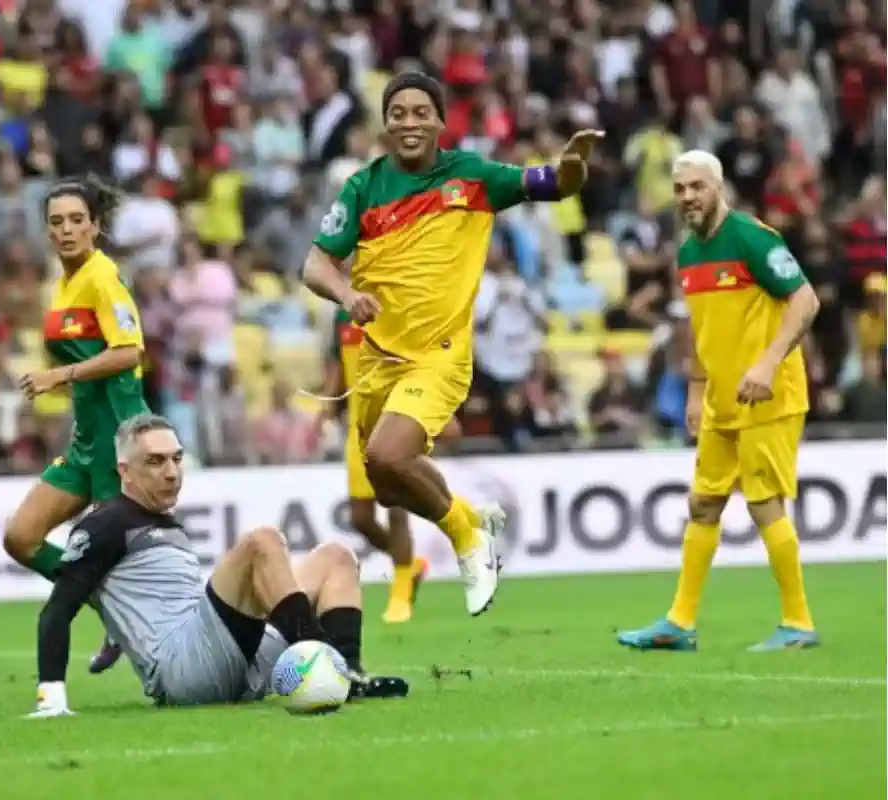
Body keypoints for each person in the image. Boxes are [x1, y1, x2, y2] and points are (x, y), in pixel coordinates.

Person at [301, 71, 603, 616]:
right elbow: (314, 264)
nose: (410, 121)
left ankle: (468, 537)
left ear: (440, 121)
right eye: (398, 113)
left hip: (439, 355)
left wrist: (574, 164)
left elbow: (554, 184)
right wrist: (347, 295)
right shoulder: (363, 186)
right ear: (386, 123)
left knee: (388, 455)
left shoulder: (473, 176)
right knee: (387, 485)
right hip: (377, 361)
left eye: (421, 111)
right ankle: (473, 519)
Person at [29, 413, 408, 717]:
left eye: (177, 458)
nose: (172, 472)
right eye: (155, 461)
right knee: (261, 542)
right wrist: (51, 698)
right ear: (125, 471)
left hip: (230, 662)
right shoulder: (105, 523)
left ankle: (349, 674)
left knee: (335, 557)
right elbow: (57, 609)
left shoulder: (161, 519)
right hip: (183, 671)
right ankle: (327, 665)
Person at [618, 150, 821, 652]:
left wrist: (768, 363)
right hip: (722, 399)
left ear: (718, 187)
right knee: (703, 502)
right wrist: (696, 387)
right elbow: (703, 328)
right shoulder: (689, 253)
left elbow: (806, 300)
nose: (688, 196)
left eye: (697, 187)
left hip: (768, 395)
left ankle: (798, 623)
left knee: (763, 504)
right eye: (681, 188)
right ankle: (679, 623)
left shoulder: (752, 238)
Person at [2, 176, 149, 581]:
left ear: (94, 226)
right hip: (86, 441)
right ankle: (101, 603)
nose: (66, 229)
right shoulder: (64, 283)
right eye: (57, 222)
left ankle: (121, 631)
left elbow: (129, 351)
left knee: (121, 561)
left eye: (76, 220)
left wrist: (59, 375)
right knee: (21, 537)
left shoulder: (102, 277)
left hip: (119, 437)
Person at [317, 307, 461, 623]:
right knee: (361, 520)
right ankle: (412, 566)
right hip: (358, 427)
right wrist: (326, 408)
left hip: (395, 419)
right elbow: (340, 367)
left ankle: (400, 593)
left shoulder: (397, 302)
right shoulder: (343, 312)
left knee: (396, 509)